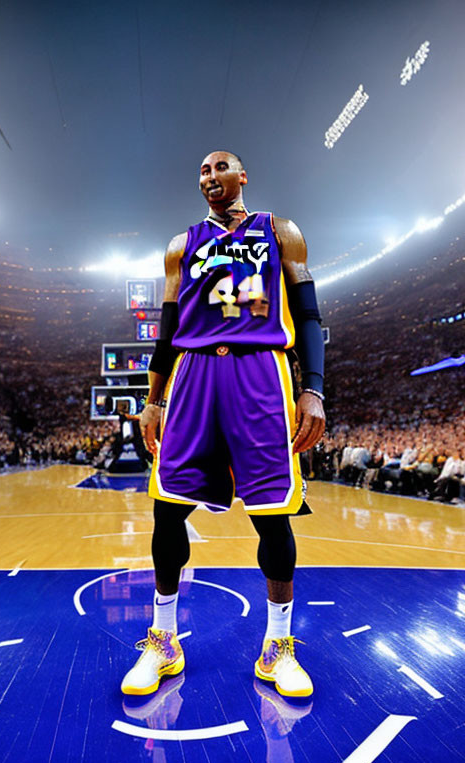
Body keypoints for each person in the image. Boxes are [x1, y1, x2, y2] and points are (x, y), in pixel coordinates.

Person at [122, 151, 326, 699]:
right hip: (193, 374)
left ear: (243, 176)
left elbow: (307, 314)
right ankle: (163, 640)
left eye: (220, 168)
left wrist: (314, 388)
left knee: (273, 517)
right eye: (203, 172)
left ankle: (277, 647)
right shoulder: (180, 244)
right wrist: (153, 399)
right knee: (169, 509)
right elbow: (166, 329)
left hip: (263, 373)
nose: (209, 177)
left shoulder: (280, 232)